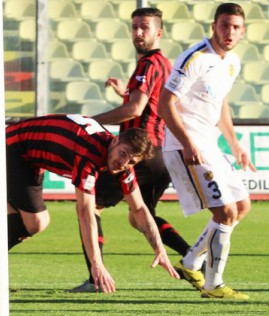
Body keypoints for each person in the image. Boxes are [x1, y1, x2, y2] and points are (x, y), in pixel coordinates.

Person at [0, 114, 180, 302]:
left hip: (27, 154)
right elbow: (85, 211)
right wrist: (96, 265)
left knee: (22, 224)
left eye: (131, 161)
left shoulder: (119, 162)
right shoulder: (90, 154)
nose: (123, 163)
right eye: (123, 154)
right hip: (13, 147)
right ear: (116, 140)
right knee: (35, 222)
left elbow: (139, 209)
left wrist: (159, 248)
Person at [67, 7, 191, 293]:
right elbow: (150, 103)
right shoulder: (164, 64)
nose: (137, 33)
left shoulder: (149, 64)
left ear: (159, 32)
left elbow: (135, 109)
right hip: (160, 154)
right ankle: (192, 254)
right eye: (134, 26)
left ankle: (95, 278)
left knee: (91, 206)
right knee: (141, 216)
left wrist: (89, 121)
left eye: (144, 27)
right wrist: (123, 91)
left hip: (138, 152)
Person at [158, 3, 254, 300]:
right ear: (214, 26)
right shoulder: (196, 58)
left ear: (242, 31)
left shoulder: (232, 62)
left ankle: (190, 262)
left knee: (242, 207)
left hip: (210, 143)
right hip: (185, 144)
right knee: (224, 213)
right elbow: (165, 104)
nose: (230, 32)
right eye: (225, 25)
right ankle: (213, 284)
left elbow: (219, 102)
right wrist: (187, 143)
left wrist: (235, 144)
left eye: (236, 27)